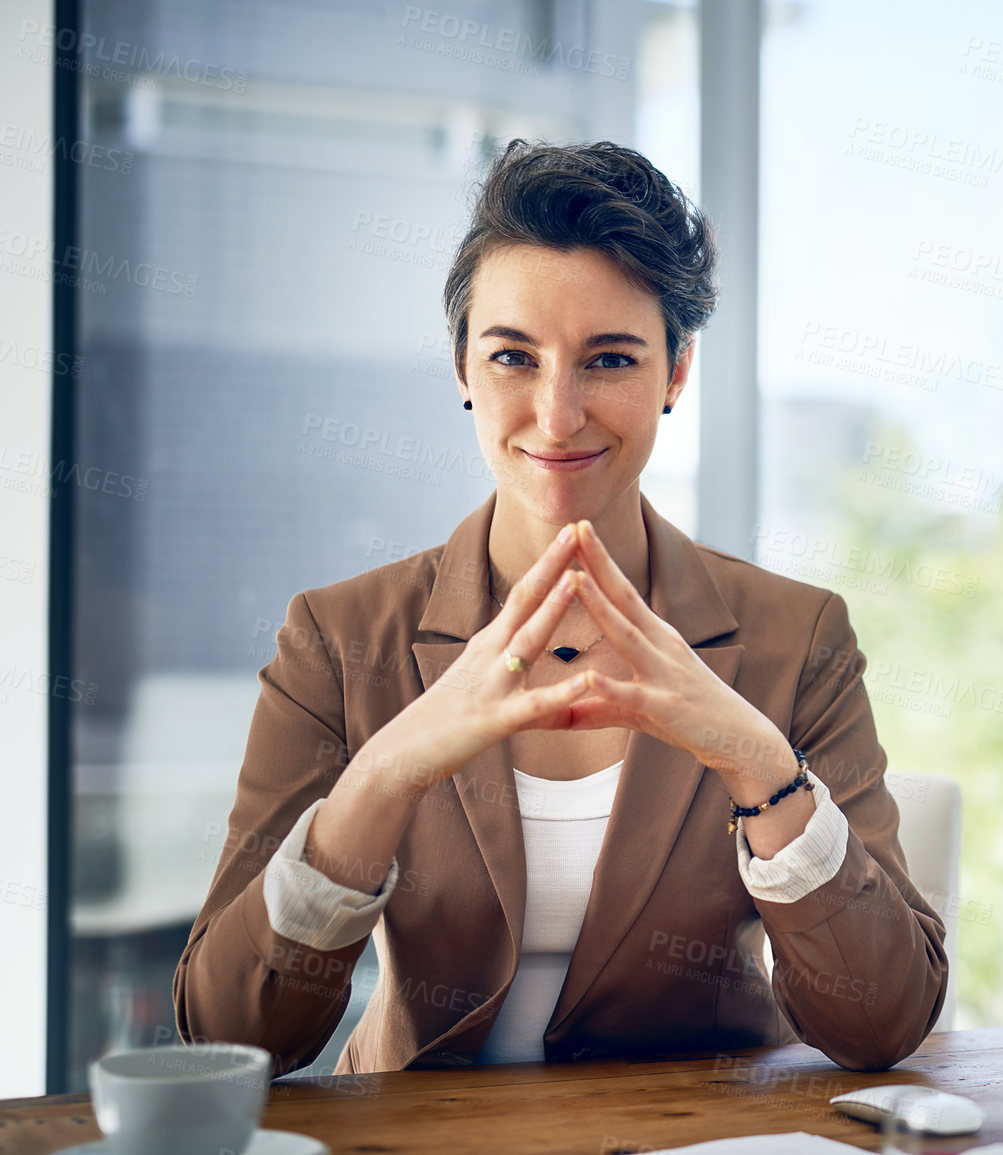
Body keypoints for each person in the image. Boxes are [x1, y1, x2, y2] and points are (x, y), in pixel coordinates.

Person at [173, 140, 948, 1075]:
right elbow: (227, 1034)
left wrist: (750, 754)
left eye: (610, 359)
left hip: (693, 1139)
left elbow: (885, 1021)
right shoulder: (338, 640)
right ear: (463, 367)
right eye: (512, 356)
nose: (556, 413)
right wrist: (386, 773)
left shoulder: (798, 636)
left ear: (675, 375)